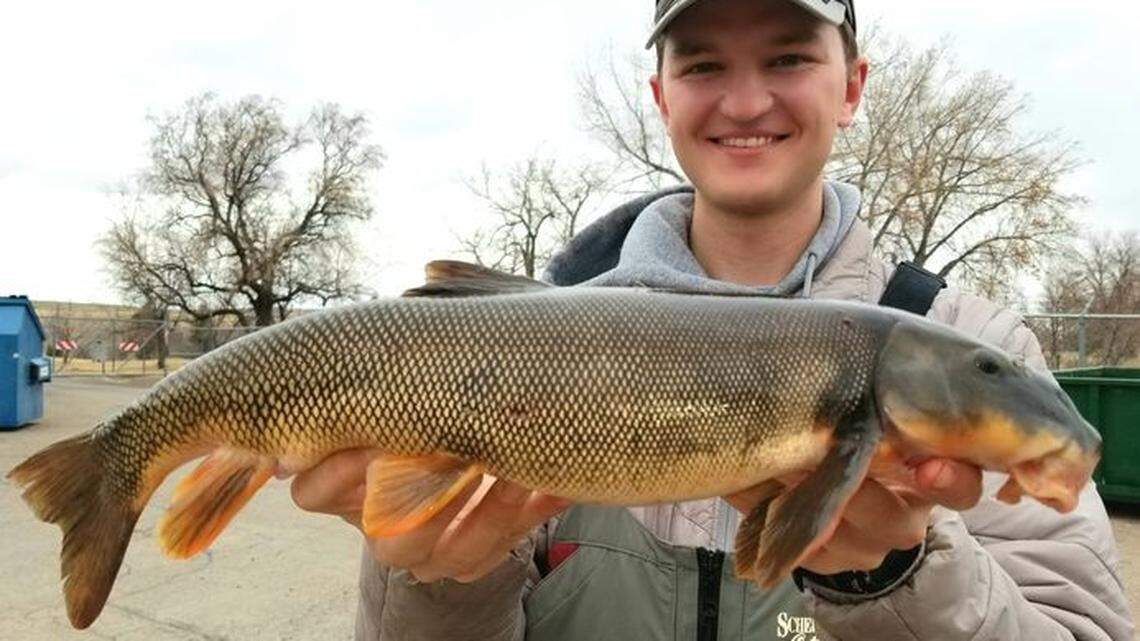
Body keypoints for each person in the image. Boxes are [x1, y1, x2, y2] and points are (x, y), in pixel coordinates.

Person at [291, 0, 1134, 638]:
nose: (745, 101)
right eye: (702, 65)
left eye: (788, 57)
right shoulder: (519, 339)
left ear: (853, 85)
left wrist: (896, 576)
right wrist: (437, 576)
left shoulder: (980, 344)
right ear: (661, 97)